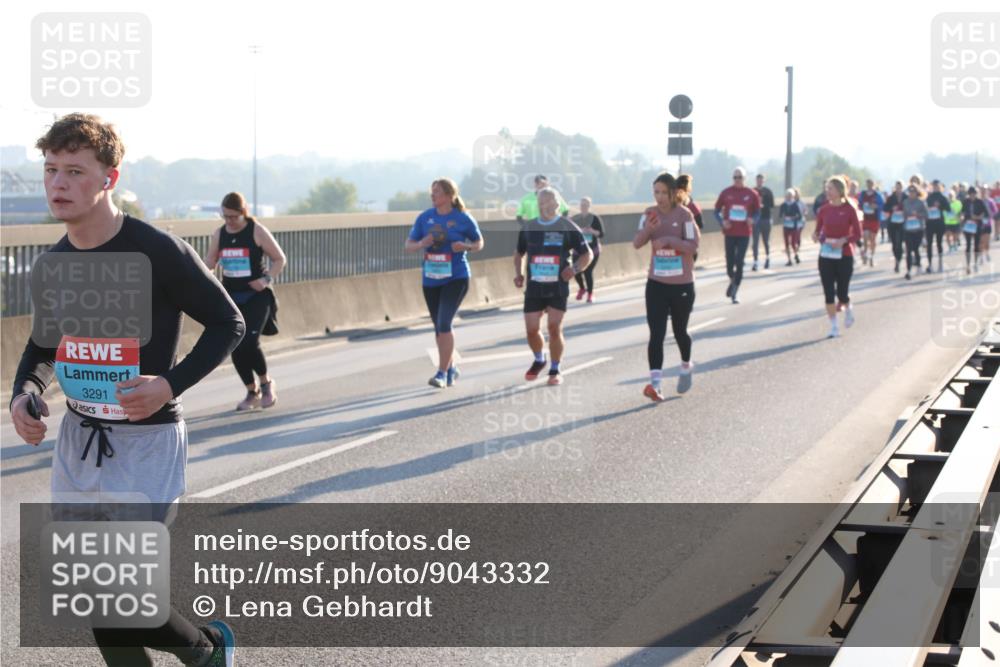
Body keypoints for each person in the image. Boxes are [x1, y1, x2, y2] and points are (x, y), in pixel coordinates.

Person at [9, 113, 241, 666]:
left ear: (109, 179)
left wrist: (168, 384)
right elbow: (43, 348)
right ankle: (207, 654)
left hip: (145, 444)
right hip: (79, 443)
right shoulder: (54, 263)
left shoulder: (155, 250)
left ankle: (207, 651)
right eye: (50, 170)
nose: (58, 184)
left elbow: (228, 323)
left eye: (74, 171)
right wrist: (23, 394)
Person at [204, 192, 286, 410]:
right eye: (225, 217)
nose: (229, 221)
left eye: (233, 217)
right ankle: (252, 391)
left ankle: (266, 383)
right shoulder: (219, 234)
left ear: (243, 213)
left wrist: (266, 279)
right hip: (232, 295)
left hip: (257, 296)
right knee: (235, 346)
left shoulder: (256, 231)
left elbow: (279, 259)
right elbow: (210, 261)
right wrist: (202, 273)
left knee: (249, 341)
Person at [405, 178, 483, 388]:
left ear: (449, 196)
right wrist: (422, 243)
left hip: (456, 277)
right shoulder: (424, 218)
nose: (432, 196)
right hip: (431, 279)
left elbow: (479, 243)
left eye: (437, 192)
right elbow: (409, 245)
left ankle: (441, 372)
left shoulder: (463, 218)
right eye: (432, 192)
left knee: (444, 323)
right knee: (439, 328)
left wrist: (464, 246)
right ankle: (451, 368)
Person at [513, 188, 592, 385]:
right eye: (541, 203)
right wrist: (519, 274)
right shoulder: (529, 227)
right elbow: (518, 254)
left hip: (557, 286)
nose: (544, 206)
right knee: (531, 329)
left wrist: (574, 269)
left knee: (554, 327)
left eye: (549, 202)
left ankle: (555, 369)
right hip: (534, 286)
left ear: (557, 204)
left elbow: (586, 255)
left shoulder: (567, 226)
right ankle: (540, 359)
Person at [634, 172, 700, 401]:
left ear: (673, 193)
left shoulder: (685, 215)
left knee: (680, 331)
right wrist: (649, 230)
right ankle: (656, 385)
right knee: (656, 334)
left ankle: (686, 365)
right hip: (656, 284)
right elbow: (636, 243)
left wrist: (671, 242)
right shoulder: (649, 214)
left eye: (663, 192)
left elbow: (693, 245)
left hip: (681, 283)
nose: (659, 197)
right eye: (656, 193)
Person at [812, 176, 861, 338]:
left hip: (844, 254)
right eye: (826, 188)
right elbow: (818, 231)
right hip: (826, 255)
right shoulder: (824, 210)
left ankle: (848, 308)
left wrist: (844, 240)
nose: (828, 192)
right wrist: (816, 237)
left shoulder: (849, 209)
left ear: (840, 191)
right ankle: (833, 326)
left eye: (830, 189)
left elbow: (857, 234)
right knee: (828, 292)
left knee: (841, 292)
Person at [713, 167, 761, 304]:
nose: (737, 180)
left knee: (739, 262)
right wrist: (722, 221)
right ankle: (732, 280)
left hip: (744, 233)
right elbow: (716, 211)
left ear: (744, 178)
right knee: (729, 264)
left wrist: (753, 220)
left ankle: (735, 291)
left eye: (740, 177)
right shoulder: (726, 193)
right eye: (735, 177)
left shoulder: (752, 194)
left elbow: (758, 212)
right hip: (730, 232)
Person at [572, 196, 604, 303]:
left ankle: (590, 294)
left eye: (586, 205)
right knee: (575, 270)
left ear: (589, 206)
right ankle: (582, 288)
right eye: (582, 205)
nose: (583, 207)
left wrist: (592, 231)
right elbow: (570, 233)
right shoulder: (575, 218)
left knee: (588, 271)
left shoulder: (595, 218)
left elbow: (601, 234)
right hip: (578, 250)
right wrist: (580, 231)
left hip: (593, 249)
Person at [961, 187, 987, 274]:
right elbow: (962, 212)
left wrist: (978, 217)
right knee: (968, 245)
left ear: (976, 194)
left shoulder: (980, 202)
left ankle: (975, 263)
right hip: (968, 225)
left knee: (976, 245)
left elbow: (985, 213)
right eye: (971, 194)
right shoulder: (966, 202)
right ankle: (968, 265)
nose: (972, 195)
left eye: (974, 193)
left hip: (977, 225)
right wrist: (961, 217)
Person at [925, 180, 949, 273]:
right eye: (934, 186)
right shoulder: (929, 197)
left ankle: (940, 262)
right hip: (930, 223)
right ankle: (930, 264)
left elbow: (948, 208)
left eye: (937, 186)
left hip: (939, 223)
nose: (936, 188)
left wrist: (940, 206)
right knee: (929, 244)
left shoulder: (943, 197)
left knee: (939, 243)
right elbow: (925, 207)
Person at [857, 179, 883, 267]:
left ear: (873, 184)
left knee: (872, 239)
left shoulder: (877, 195)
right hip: (865, 219)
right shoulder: (863, 194)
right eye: (868, 183)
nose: (869, 185)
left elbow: (882, 205)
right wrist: (861, 207)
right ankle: (866, 252)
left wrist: (875, 206)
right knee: (865, 236)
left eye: (871, 184)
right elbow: (858, 204)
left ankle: (872, 255)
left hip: (874, 219)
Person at [882, 181, 907, 273]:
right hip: (892, 223)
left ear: (902, 188)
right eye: (897, 187)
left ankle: (898, 261)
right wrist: (891, 208)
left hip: (902, 223)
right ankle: (896, 257)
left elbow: (909, 207)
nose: (898, 189)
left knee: (899, 242)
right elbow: (885, 208)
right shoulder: (890, 198)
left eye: (900, 187)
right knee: (894, 243)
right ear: (895, 188)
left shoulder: (906, 197)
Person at [752, 174, 774, 271]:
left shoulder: (768, 192)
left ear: (763, 181)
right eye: (758, 180)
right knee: (755, 241)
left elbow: (772, 205)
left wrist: (763, 204)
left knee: (766, 240)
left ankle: (767, 257)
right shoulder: (752, 191)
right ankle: (756, 261)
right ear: (756, 181)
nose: (759, 181)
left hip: (766, 218)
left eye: (761, 180)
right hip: (756, 220)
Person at [778, 188, 803, 266]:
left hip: (794, 226)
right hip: (786, 226)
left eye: (790, 196)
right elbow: (779, 215)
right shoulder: (783, 205)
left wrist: (794, 217)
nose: (788, 197)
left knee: (793, 243)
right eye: (787, 196)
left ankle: (796, 255)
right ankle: (789, 260)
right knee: (786, 243)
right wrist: (783, 216)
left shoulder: (795, 204)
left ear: (793, 196)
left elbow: (800, 216)